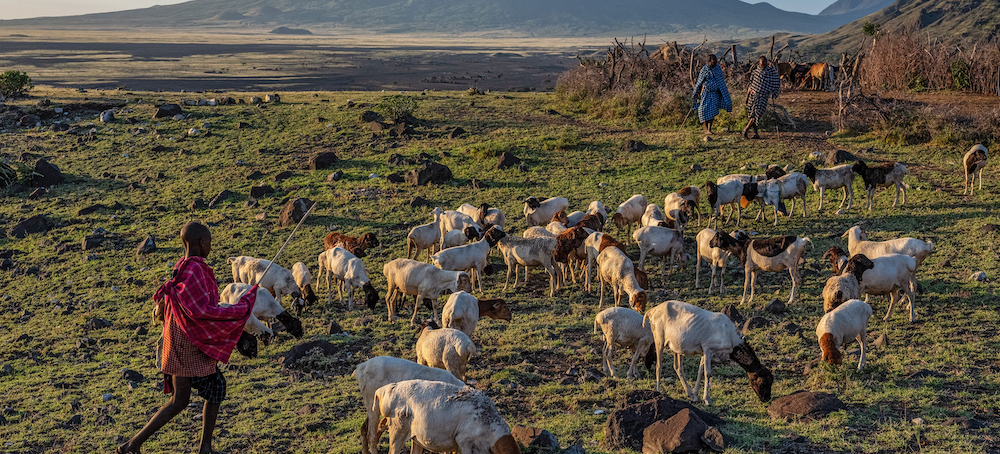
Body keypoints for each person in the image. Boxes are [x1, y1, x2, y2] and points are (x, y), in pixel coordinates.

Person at [119, 222, 256, 454]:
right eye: (209, 242)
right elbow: (203, 311)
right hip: (190, 343)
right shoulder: (195, 270)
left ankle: (132, 446)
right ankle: (204, 448)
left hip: (176, 341)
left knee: (180, 400)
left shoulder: (182, 266)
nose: (210, 246)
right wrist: (243, 307)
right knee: (215, 388)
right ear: (201, 242)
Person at [692, 54, 732, 137]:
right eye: (713, 59)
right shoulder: (704, 69)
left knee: (712, 111)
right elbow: (700, 81)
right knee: (702, 111)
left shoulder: (718, 69)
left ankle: (709, 129)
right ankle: (706, 129)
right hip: (705, 93)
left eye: (715, 59)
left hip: (714, 94)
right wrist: (697, 93)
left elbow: (721, 81)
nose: (715, 61)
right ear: (709, 60)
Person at [743, 55, 782, 139]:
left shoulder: (771, 72)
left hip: (763, 96)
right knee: (753, 115)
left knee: (758, 113)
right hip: (753, 96)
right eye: (762, 62)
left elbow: (776, 81)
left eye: (765, 62)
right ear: (759, 63)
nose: (764, 64)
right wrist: (747, 97)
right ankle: (756, 133)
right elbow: (750, 85)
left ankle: (746, 129)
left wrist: (774, 92)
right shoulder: (755, 72)